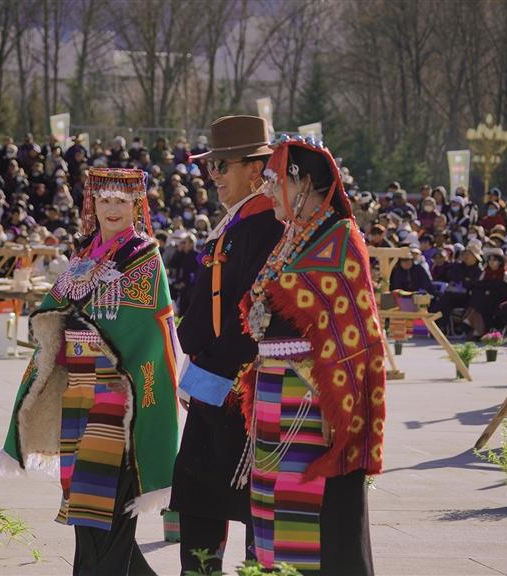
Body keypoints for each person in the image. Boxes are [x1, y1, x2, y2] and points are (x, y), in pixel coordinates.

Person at [0, 167, 179, 576]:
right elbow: (53, 309)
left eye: (121, 201)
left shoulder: (145, 257)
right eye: (104, 199)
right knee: (85, 505)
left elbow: (149, 330)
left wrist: (92, 332)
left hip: (119, 398)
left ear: (136, 206)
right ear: (92, 204)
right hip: (78, 394)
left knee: (108, 508)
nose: (112, 208)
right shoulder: (83, 256)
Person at [237, 135, 383, 575]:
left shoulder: (341, 238)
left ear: (301, 183)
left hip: (313, 400)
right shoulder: (293, 239)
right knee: (271, 502)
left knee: (309, 511)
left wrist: (339, 401)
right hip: (273, 394)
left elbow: (356, 330)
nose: (268, 191)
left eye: (275, 181)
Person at [170, 115, 284, 574]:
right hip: (216, 379)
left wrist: (206, 376)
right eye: (209, 166)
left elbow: (252, 315)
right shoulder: (241, 220)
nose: (212, 175)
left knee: (254, 503)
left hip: (242, 387)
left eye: (221, 165)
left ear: (255, 169)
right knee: (200, 499)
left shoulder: (267, 224)